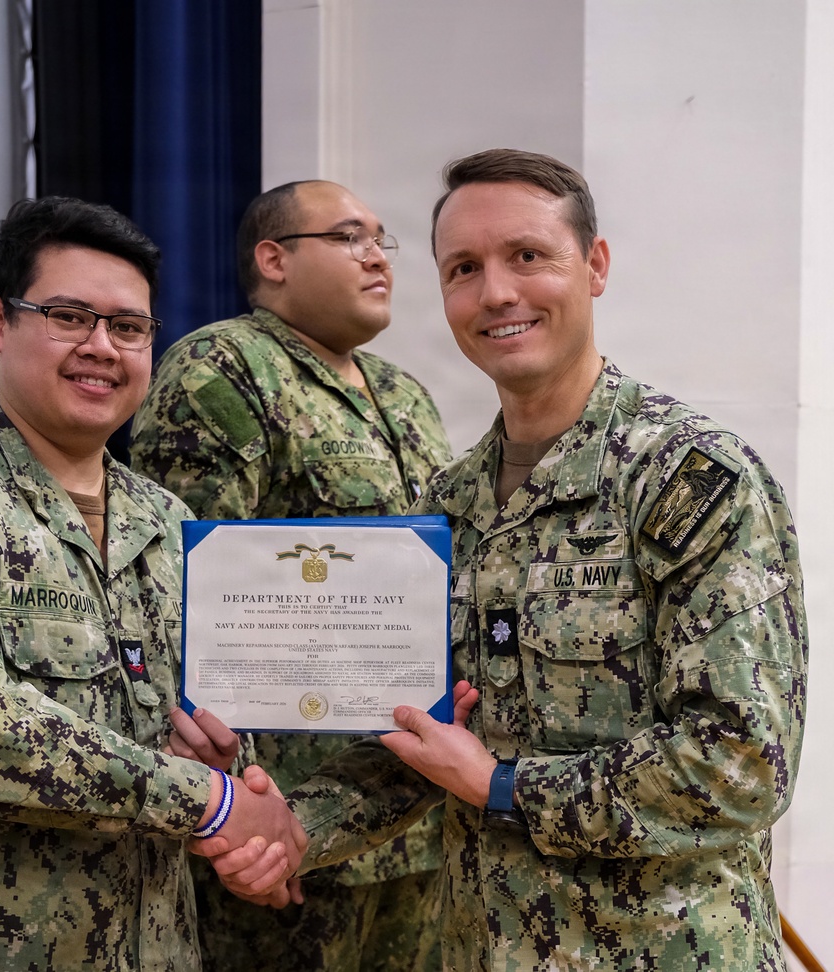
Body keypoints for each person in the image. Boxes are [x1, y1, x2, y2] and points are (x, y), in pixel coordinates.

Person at [209, 149, 809, 970]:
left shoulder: (689, 483)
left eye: (528, 256)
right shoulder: (449, 506)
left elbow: (742, 763)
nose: (495, 292)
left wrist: (504, 787)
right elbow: (425, 739)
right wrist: (290, 828)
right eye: (464, 268)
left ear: (594, 266)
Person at [0, 196, 305, 972]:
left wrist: (233, 781)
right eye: (68, 316)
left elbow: (218, 726)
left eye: (128, 328)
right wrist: (210, 803)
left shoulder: (173, 523)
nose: (102, 348)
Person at [129, 179, 451, 971]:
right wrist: (247, 824)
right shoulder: (221, 369)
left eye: (382, 239)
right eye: (348, 237)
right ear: (273, 258)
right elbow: (190, 600)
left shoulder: (405, 395)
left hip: (411, 811)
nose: (377, 255)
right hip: (293, 815)